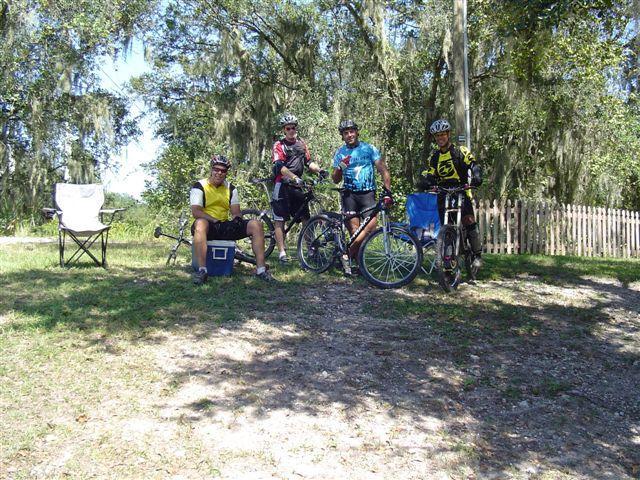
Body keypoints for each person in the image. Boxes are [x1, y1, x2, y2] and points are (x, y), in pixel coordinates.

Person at [191, 155, 274, 285]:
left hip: (223, 225)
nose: (219, 173)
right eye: (216, 169)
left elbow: (236, 212)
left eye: (223, 171)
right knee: (200, 223)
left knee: (256, 224)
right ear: (211, 169)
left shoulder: (231, 188)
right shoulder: (199, 186)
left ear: (226, 173)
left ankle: (261, 270)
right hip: (207, 225)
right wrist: (214, 220)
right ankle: (202, 271)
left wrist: (237, 219)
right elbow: (196, 212)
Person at [418, 119, 483, 268]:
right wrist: (425, 182)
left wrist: (476, 175)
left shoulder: (460, 151)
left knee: (468, 220)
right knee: (446, 226)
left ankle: (477, 254)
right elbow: (430, 173)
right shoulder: (434, 157)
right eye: (437, 136)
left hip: (461, 190)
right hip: (443, 192)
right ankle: (447, 259)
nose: (440, 138)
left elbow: (473, 164)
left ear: (448, 134)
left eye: (443, 134)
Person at [331, 119, 393, 273]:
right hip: (349, 195)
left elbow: (383, 170)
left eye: (352, 131)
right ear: (342, 136)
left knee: (370, 227)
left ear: (357, 132)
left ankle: (346, 255)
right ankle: (358, 265)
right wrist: (340, 167)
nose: (349, 135)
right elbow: (335, 179)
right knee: (354, 230)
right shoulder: (340, 152)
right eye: (346, 133)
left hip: (368, 193)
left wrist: (388, 191)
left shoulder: (369, 148)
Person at [271, 113, 327, 264]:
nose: (291, 130)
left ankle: (310, 249)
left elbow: (309, 162)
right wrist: (294, 177)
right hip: (282, 185)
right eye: (288, 128)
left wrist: (320, 170)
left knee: (305, 218)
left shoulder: (301, 144)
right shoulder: (279, 145)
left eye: (293, 128)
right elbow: (280, 167)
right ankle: (282, 253)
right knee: (280, 220)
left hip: (298, 186)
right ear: (284, 130)